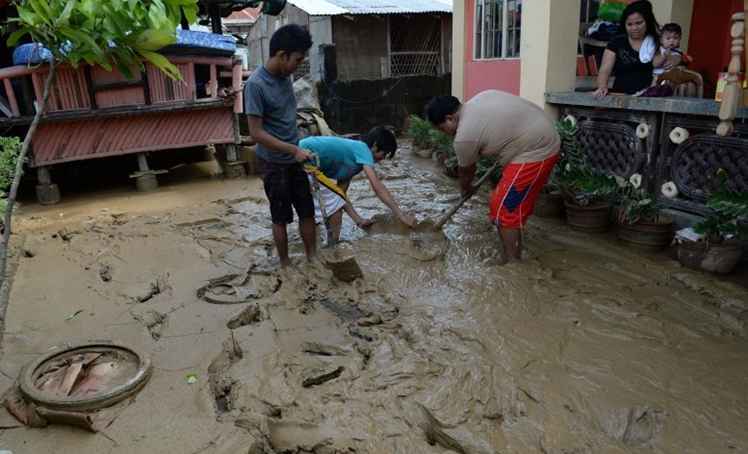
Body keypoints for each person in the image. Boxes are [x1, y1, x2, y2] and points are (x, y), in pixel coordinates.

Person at [425, 91, 560, 262]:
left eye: (442, 128)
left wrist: (466, 190)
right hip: (542, 134)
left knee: (504, 208)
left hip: (537, 149)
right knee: (511, 202)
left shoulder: (464, 136)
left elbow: (466, 172)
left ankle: (513, 263)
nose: (443, 133)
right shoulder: (480, 98)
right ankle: (513, 241)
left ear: (450, 118)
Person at [244, 24, 315, 268]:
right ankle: (285, 265)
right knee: (281, 217)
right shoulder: (255, 85)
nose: (299, 64)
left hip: (295, 159)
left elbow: (287, 116)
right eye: (297, 59)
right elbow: (256, 133)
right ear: (282, 55)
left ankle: (312, 259)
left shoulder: (286, 78)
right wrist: (293, 150)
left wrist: (299, 147)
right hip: (274, 163)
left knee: (307, 212)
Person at [299, 127, 416, 242]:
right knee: (334, 209)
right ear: (375, 145)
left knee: (325, 207)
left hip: (302, 158)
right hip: (303, 157)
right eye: (384, 153)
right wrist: (401, 216)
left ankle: (318, 246)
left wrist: (358, 220)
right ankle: (333, 249)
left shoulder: (353, 160)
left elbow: (341, 195)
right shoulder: (363, 149)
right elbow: (377, 186)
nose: (383, 158)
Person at [594, 1, 669, 97]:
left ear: (647, 21)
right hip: (620, 96)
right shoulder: (617, 42)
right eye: (629, 24)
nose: (634, 28)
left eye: (639, 23)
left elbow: (674, 56)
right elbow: (605, 69)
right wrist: (602, 86)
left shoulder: (656, 42)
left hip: (648, 98)